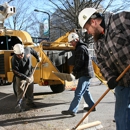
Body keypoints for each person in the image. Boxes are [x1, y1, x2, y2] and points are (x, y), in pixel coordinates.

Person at [78, 8, 130, 130]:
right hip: (122, 82)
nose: (88, 32)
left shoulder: (121, 20)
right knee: (121, 116)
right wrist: (110, 77)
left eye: (87, 29)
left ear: (93, 22)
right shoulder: (98, 44)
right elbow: (102, 64)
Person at [61, 32, 95, 116]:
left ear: (76, 40)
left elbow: (79, 62)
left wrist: (74, 72)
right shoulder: (82, 47)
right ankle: (92, 106)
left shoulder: (80, 49)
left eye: (72, 42)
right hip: (87, 73)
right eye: (70, 42)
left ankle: (72, 110)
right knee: (85, 91)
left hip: (84, 73)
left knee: (78, 92)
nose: (71, 44)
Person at [11, 43, 41, 110]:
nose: (20, 56)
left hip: (30, 73)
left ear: (23, 51)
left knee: (30, 89)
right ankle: (19, 104)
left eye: (21, 54)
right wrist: (25, 78)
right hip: (21, 76)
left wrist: (38, 57)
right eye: (18, 55)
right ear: (15, 54)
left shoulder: (27, 49)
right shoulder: (14, 60)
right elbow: (15, 71)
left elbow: (33, 51)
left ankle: (30, 103)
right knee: (20, 90)